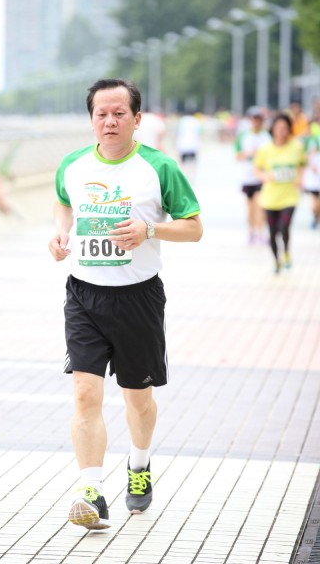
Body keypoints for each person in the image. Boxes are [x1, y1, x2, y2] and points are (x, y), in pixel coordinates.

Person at [48, 78, 202, 530]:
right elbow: (63, 202)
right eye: (102, 114)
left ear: (137, 119)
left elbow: (194, 227)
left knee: (138, 399)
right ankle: (91, 492)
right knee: (85, 392)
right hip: (84, 294)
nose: (110, 121)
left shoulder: (159, 168)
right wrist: (61, 233)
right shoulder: (73, 165)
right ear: (91, 119)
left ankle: (139, 464)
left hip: (138, 297)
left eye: (119, 113)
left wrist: (149, 230)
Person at [254, 112, 306, 274]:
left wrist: (300, 178)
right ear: (273, 129)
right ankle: (277, 260)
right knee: (272, 232)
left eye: (284, 128)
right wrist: (265, 177)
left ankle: (287, 252)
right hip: (270, 197)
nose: (281, 132)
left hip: (289, 196)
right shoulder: (265, 149)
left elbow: (302, 164)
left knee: (284, 227)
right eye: (278, 128)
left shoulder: (297, 147)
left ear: (289, 129)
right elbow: (257, 169)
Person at [234, 106, 271, 244]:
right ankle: (251, 232)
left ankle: (260, 232)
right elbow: (237, 156)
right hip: (247, 176)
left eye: (259, 119)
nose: (256, 122)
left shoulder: (267, 136)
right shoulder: (243, 136)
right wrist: (249, 153)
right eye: (254, 119)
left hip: (261, 176)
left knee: (260, 205)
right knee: (250, 207)